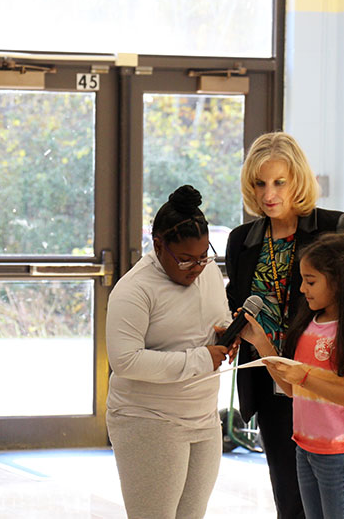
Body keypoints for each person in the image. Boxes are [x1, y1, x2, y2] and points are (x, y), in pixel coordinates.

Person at [224, 132, 344, 519]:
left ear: (298, 181)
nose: (268, 194)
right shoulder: (242, 241)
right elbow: (235, 304)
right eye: (259, 183)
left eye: (279, 182)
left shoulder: (335, 227)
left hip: (333, 382)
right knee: (291, 501)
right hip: (273, 382)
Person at [105, 185, 235, 519]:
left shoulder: (206, 272)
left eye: (204, 256)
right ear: (158, 244)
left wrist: (226, 334)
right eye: (185, 259)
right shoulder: (134, 289)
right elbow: (125, 360)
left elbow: (213, 322)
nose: (196, 267)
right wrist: (200, 359)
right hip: (148, 420)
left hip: (203, 417)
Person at [242, 232, 344, 518]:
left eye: (310, 281)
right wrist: (260, 342)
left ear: (338, 281)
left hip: (342, 453)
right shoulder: (310, 324)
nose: (302, 289)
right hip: (306, 448)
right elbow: (290, 388)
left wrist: (304, 378)